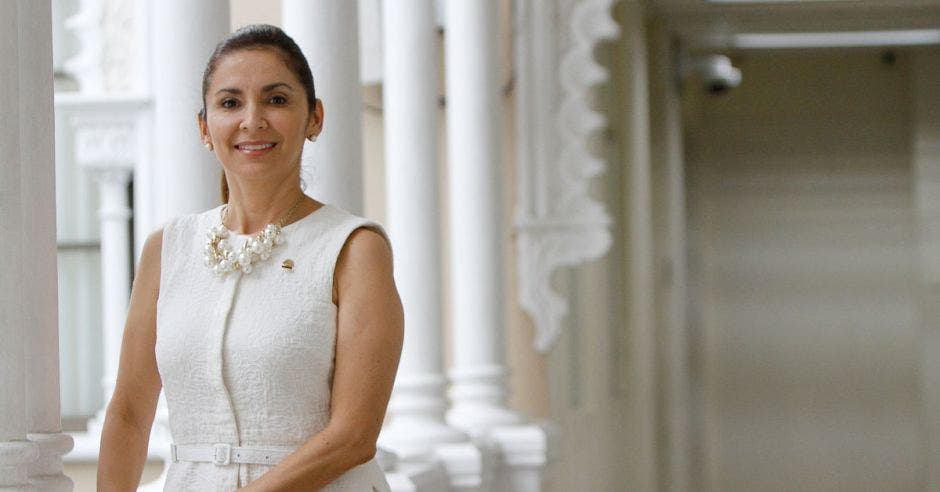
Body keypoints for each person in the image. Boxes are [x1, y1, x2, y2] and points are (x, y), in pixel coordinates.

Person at [97, 24, 403, 491]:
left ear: (314, 118)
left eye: (276, 100)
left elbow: (354, 436)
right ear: (205, 126)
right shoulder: (168, 248)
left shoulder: (354, 248)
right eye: (230, 102)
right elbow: (129, 412)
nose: (252, 120)